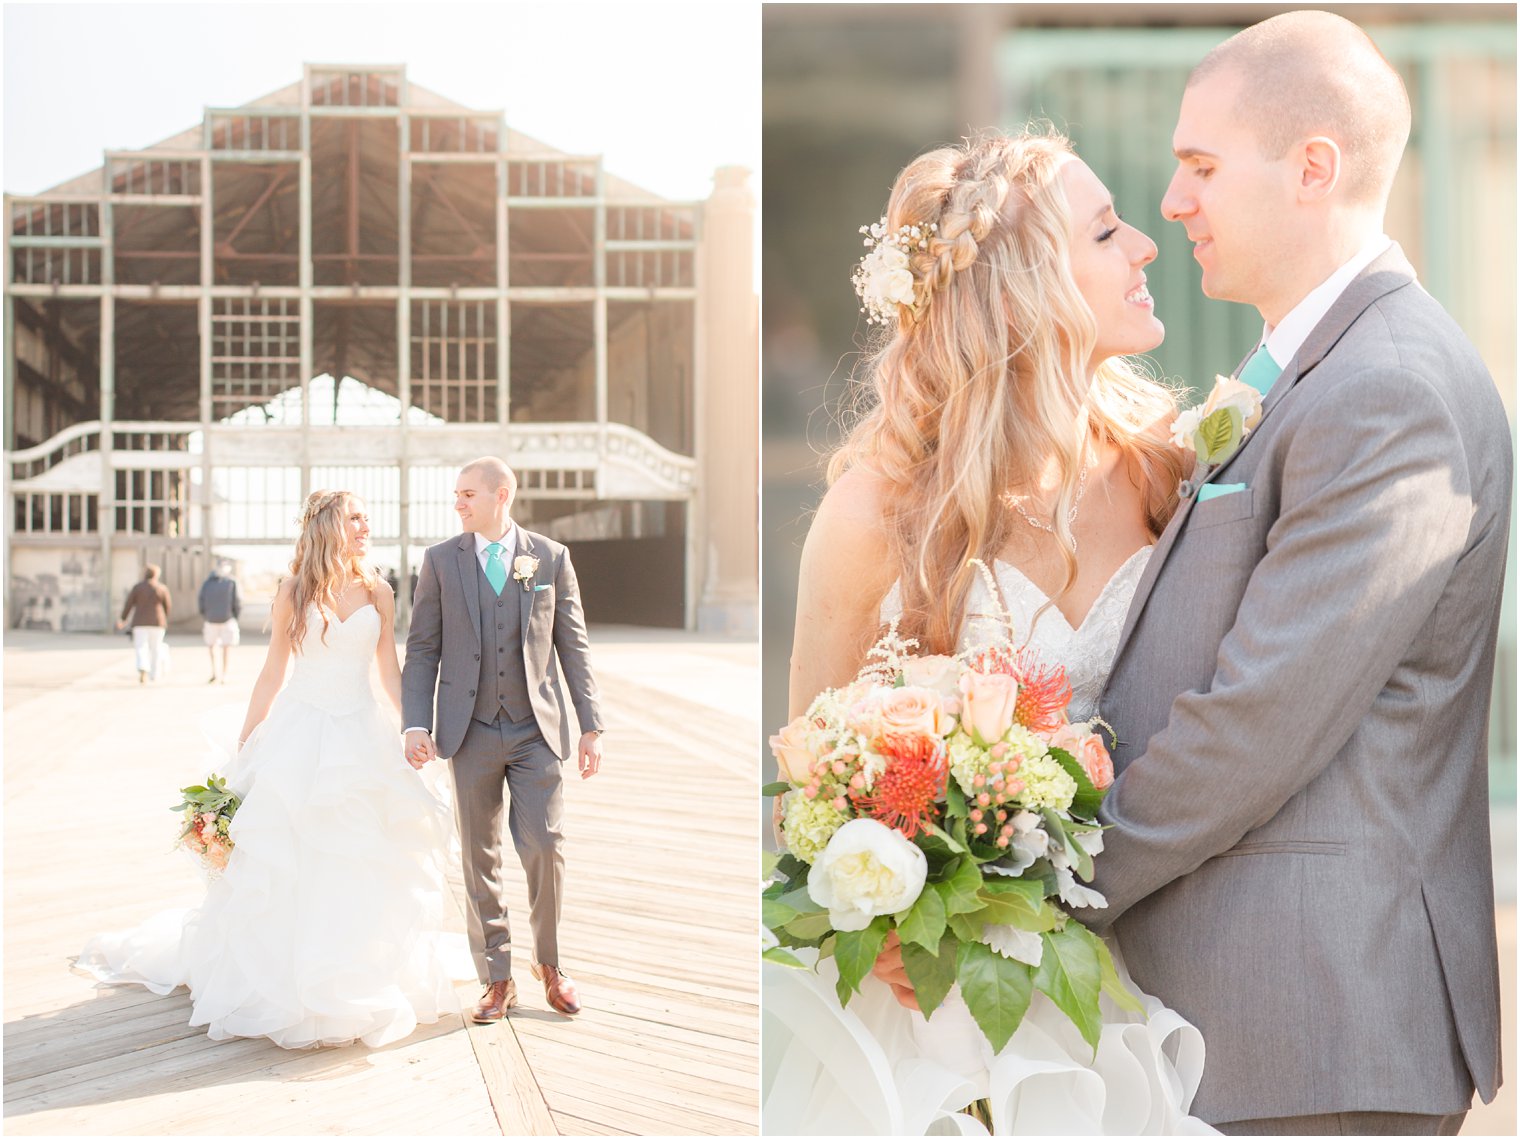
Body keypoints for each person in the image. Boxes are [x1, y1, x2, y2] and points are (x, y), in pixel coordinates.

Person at [1079, 13, 1509, 1136]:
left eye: (1200, 167)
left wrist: (1047, 881)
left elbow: (1262, 715)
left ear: (1312, 166)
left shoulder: (1388, 388)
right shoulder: (1306, 370)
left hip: (1313, 1024)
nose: (1170, 203)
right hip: (1251, 1020)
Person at [766, 128, 1214, 1134]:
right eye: (1104, 232)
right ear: (1024, 288)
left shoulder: (1166, 473)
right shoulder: (875, 515)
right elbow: (805, 777)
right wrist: (865, 905)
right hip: (927, 1006)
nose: (1144, 243)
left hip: (1130, 963)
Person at [78, 490, 467, 1048]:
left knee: (356, 851)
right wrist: (245, 746)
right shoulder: (293, 591)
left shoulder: (380, 592)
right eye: (355, 517)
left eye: (365, 518)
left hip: (359, 734)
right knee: (287, 856)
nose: (365, 525)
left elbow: (389, 672)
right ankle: (281, 983)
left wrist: (412, 728)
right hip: (298, 733)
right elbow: (271, 674)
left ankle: (353, 976)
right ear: (330, 525)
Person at [401, 457, 605, 1022]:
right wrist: (415, 722)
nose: (458, 503)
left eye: (468, 493)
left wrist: (591, 725)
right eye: (457, 494)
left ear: (502, 495)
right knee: (478, 856)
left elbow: (574, 645)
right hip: (466, 731)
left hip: (534, 728)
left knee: (545, 844)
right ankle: (497, 977)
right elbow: (422, 649)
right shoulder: (441, 562)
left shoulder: (551, 558)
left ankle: (550, 963)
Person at [117, 564, 171, 684]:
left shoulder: (137, 588)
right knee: (156, 648)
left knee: (141, 646)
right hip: (158, 622)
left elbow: (129, 604)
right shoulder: (161, 588)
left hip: (140, 622)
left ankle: (143, 667)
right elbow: (167, 606)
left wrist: (123, 619)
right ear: (156, 575)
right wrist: (164, 618)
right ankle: (155, 674)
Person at [197, 560, 241, 685]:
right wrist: (235, 616)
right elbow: (238, 601)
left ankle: (214, 673)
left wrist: (206, 615)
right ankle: (224, 675)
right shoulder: (232, 582)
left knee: (212, 647)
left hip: (210, 620)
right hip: (227, 619)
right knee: (226, 648)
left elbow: (200, 601)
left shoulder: (207, 583)